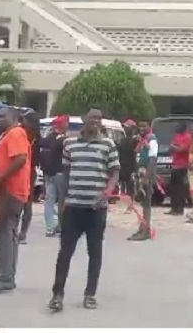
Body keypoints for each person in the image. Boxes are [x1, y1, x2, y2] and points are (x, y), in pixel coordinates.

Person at [47, 106, 120, 312]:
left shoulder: (108, 145)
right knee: (65, 253)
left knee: (94, 252)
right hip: (74, 207)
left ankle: (90, 294)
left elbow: (114, 171)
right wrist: (62, 202)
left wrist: (108, 191)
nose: (95, 121)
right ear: (84, 120)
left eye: (99, 118)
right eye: (92, 118)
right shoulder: (70, 144)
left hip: (96, 209)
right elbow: (66, 174)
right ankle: (57, 295)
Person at [0, 107, 31, 294]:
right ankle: (8, 276)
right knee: (9, 234)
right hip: (12, 190)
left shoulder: (15, 133)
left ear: (14, 118)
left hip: (10, 191)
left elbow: (20, 158)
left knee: (3, 233)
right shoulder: (9, 135)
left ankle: (6, 277)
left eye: (3, 116)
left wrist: (1, 177)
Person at [127, 120, 158, 241]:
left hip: (146, 175)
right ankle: (142, 228)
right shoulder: (142, 140)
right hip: (141, 174)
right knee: (143, 202)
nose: (141, 128)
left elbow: (152, 160)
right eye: (140, 126)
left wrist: (146, 178)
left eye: (144, 126)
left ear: (149, 127)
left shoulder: (152, 140)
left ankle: (145, 231)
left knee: (146, 204)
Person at [39, 115, 68, 237]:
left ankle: (50, 227)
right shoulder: (64, 140)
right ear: (62, 125)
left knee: (49, 201)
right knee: (62, 202)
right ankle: (61, 227)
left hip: (48, 174)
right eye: (66, 123)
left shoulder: (47, 139)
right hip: (61, 174)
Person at [18, 111, 41, 245]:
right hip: (27, 171)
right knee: (23, 202)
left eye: (25, 119)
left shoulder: (32, 138)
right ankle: (20, 232)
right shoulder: (30, 136)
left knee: (25, 202)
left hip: (27, 171)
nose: (22, 121)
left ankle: (22, 232)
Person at [166, 122, 192, 216]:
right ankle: (173, 208)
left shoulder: (187, 137)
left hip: (183, 166)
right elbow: (172, 148)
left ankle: (179, 209)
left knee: (180, 189)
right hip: (174, 164)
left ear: (184, 128)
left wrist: (173, 146)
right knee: (173, 187)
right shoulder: (177, 135)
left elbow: (182, 149)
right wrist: (173, 147)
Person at [118, 119, 139, 212]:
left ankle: (130, 206)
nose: (125, 129)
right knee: (123, 187)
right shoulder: (122, 140)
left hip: (131, 167)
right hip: (122, 166)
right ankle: (127, 204)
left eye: (127, 128)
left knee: (130, 187)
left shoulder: (136, 141)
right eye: (125, 128)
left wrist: (135, 169)